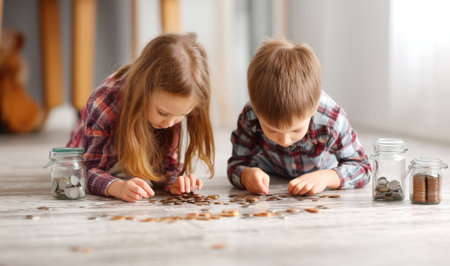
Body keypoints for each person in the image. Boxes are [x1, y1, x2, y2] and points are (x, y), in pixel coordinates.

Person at [67, 33, 215, 202]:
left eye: (182, 115)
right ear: (143, 92)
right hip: (95, 151)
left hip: (134, 155)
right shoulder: (104, 103)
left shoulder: (168, 114)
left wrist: (175, 180)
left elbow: (166, 164)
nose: (171, 123)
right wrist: (118, 187)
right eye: (163, 113)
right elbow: (87, 170)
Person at [227, 38, 371, 195]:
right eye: (271, 130)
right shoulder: (250, 116)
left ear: (314, 108)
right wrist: (246, 175)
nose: (284, 141)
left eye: (295, 130)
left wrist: (326, 177)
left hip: (319, 170)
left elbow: (362, 167)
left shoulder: (332, 120)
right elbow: (237, 163)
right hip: (270, 169)